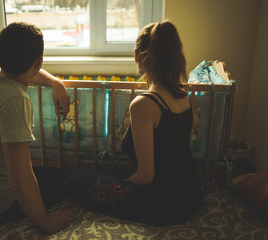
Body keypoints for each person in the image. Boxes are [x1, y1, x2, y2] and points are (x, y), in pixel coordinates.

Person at [66, 20, 202, 225]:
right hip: (191, 197)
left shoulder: (143, 105)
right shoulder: (183, 96)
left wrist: (120, 183)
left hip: (164, 206)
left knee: (75, 178)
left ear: (137, 56)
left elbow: (146, 176)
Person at [0, 22, 74, 234]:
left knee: (46, 171)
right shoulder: (15, 101)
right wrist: (46, 222)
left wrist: (55, 82)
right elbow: (20, 177)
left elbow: (29, 72)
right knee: (71, 178)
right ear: (39, 61)